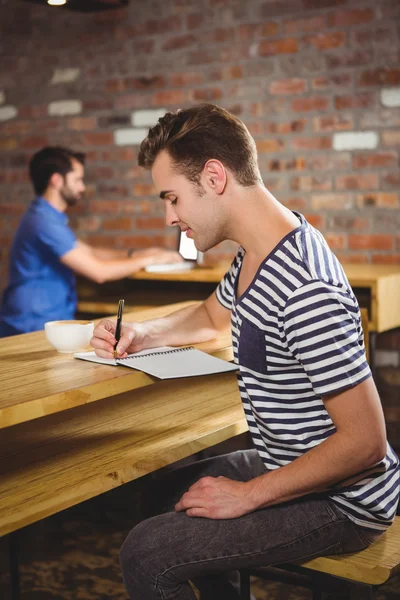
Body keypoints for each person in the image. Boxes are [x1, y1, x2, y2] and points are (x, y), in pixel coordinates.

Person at [91, 105, 400, 600]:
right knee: (161, 495)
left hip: (345, 501)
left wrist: (246, 495)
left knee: (147, 552)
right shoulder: (258, 252)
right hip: (289, 460)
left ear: (214, 177)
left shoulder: (305, 287)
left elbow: (365, 442)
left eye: (171, 198)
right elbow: (213, 315)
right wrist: (143, 334)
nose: (169, 216)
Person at [0, 146, 182, 337]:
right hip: (30, 325)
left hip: (41, 321)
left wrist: (136, 254)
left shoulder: (47, 216)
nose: (82, 187)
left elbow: (88, 252)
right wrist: (150, 261)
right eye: (78, 180)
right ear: (56, 180)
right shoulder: (43, 221)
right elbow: (99, 272)